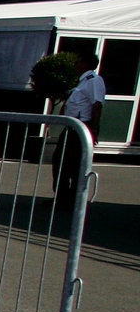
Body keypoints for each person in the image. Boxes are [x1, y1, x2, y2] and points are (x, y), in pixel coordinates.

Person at [55, 50, 104, 208]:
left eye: (78, 62)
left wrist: (94, 129)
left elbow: (97, 105)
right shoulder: (81, 81)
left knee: (75, 165)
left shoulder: (93, 80)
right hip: (72, 128)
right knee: (61, 161)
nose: (75, 65)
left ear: (86, 64)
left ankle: (73, 200)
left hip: (81, 128)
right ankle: (62, 197)